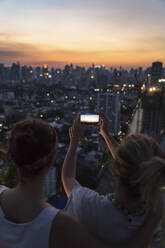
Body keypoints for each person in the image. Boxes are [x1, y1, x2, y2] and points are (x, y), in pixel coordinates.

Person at [0, 118, 163, 248]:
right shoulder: (60, 224)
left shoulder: (87, 206)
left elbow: (68, 178)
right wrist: (155, 218)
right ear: (51, 159)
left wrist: (74, 141)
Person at [62, 114, 165, 246]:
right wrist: (106, 135)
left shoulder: (91, 207)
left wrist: (74, 141)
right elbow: (133, 165)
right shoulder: (156, 206)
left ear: (115, 168)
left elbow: (68, 177)